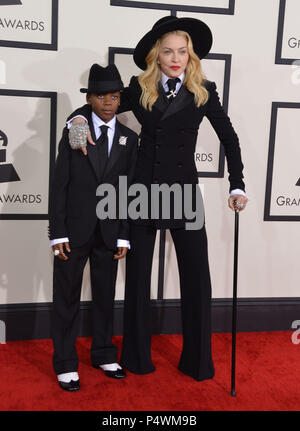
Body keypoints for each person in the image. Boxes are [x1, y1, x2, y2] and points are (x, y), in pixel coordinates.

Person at [67, 16, 248, 382]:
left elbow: (229, 137)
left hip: (183, 191)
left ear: (190, 54)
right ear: (157, 55)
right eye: (168, 51)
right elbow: (102, 106)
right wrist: (77, 122)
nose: (176, 57)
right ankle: (137, 358)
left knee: (197, 277)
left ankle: (197, 362)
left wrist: (237, 184)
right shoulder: (138, 86)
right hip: (143, 191)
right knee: (137, 277)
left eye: (182, 51)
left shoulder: (204, 89)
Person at [48, 63, 138, 391]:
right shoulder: (74, 129)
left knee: (105, 296)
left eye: (114, 96)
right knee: (66, 297)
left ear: (120, 99)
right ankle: (65, 363)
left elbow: (129, 190)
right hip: (73, 231)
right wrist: (57, 231)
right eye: (101, 96)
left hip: (110, 231)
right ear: (89, 98)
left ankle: (103, 353)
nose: (108, 102)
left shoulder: (129, 138)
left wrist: (125, 234)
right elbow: (59, 185)